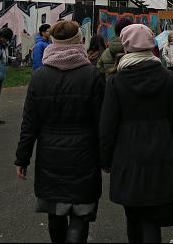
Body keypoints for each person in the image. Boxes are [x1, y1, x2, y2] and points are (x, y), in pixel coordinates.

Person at [15, 20, 105, 243]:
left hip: (50, 153)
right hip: (84, 152)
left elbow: (29, 123)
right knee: (80, 211)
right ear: (78, 41)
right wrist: (107, 157)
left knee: (54, 210)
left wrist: (22, 159)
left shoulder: (39, 76)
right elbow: (101, 121)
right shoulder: (92, 75)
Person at [100, 24, 173, 243]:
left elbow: (108, 125)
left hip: (127, 154)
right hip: (161, 151)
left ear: (126, 46)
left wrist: (106, 160)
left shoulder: (116, 81)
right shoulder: (167, 77)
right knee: (153, 217)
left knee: (133, 214)